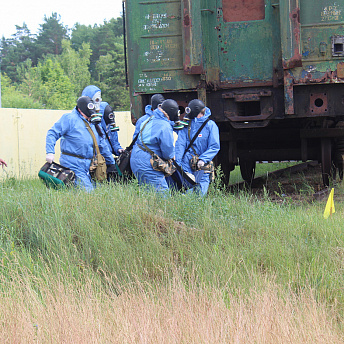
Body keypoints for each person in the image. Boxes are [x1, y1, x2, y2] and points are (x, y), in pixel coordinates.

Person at [45, 96, 116, 191]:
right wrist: (50, 152)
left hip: (90, 166)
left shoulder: (93, 123)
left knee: (98, 192)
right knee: (87, 192)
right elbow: (52, 133)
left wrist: (112, 163)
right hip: (73, 163)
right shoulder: (69, 119)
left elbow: (102, 144)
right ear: (80, 109)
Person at [130, 99, 179, 193]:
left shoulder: (148, 119)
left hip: (136, 158)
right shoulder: (164, 126)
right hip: (148, 162)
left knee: (147, 192)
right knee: (162, 195)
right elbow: (167, 153)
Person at [175, 99, 220, 196]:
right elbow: (180, 144)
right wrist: (178, 164)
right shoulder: (187, 124)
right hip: (186, 162)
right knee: (187, 192)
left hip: (202, 164)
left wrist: (203, 159)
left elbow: (214, 146)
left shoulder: (210, 125)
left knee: (200, 192)